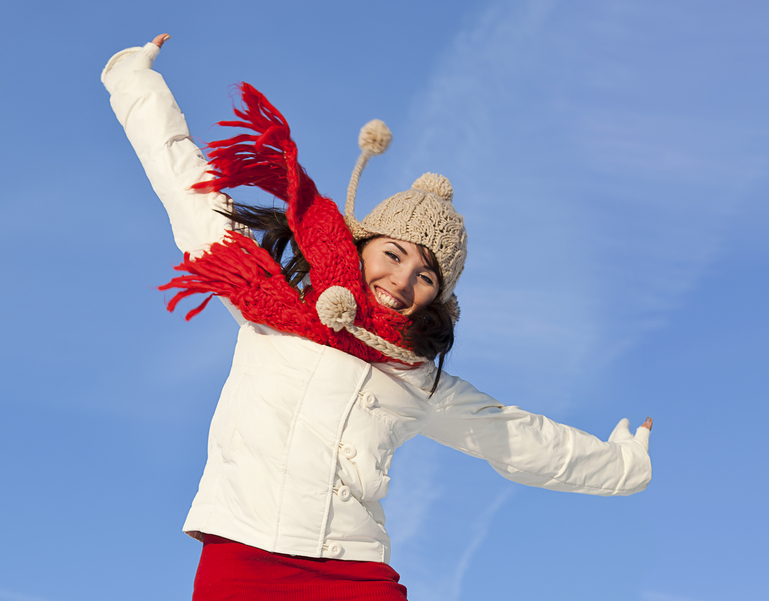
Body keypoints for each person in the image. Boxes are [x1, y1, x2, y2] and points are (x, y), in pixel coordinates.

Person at [102, 33, 653, 600]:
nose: (402, 280)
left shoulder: (416, 377)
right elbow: (184, 184)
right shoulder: (270, 303)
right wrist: (133, 77)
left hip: (352, 571)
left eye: (426, 276)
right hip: (243, 557)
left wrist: (625, 465)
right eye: (393, 255)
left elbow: (518, 439)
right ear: (361, 246)